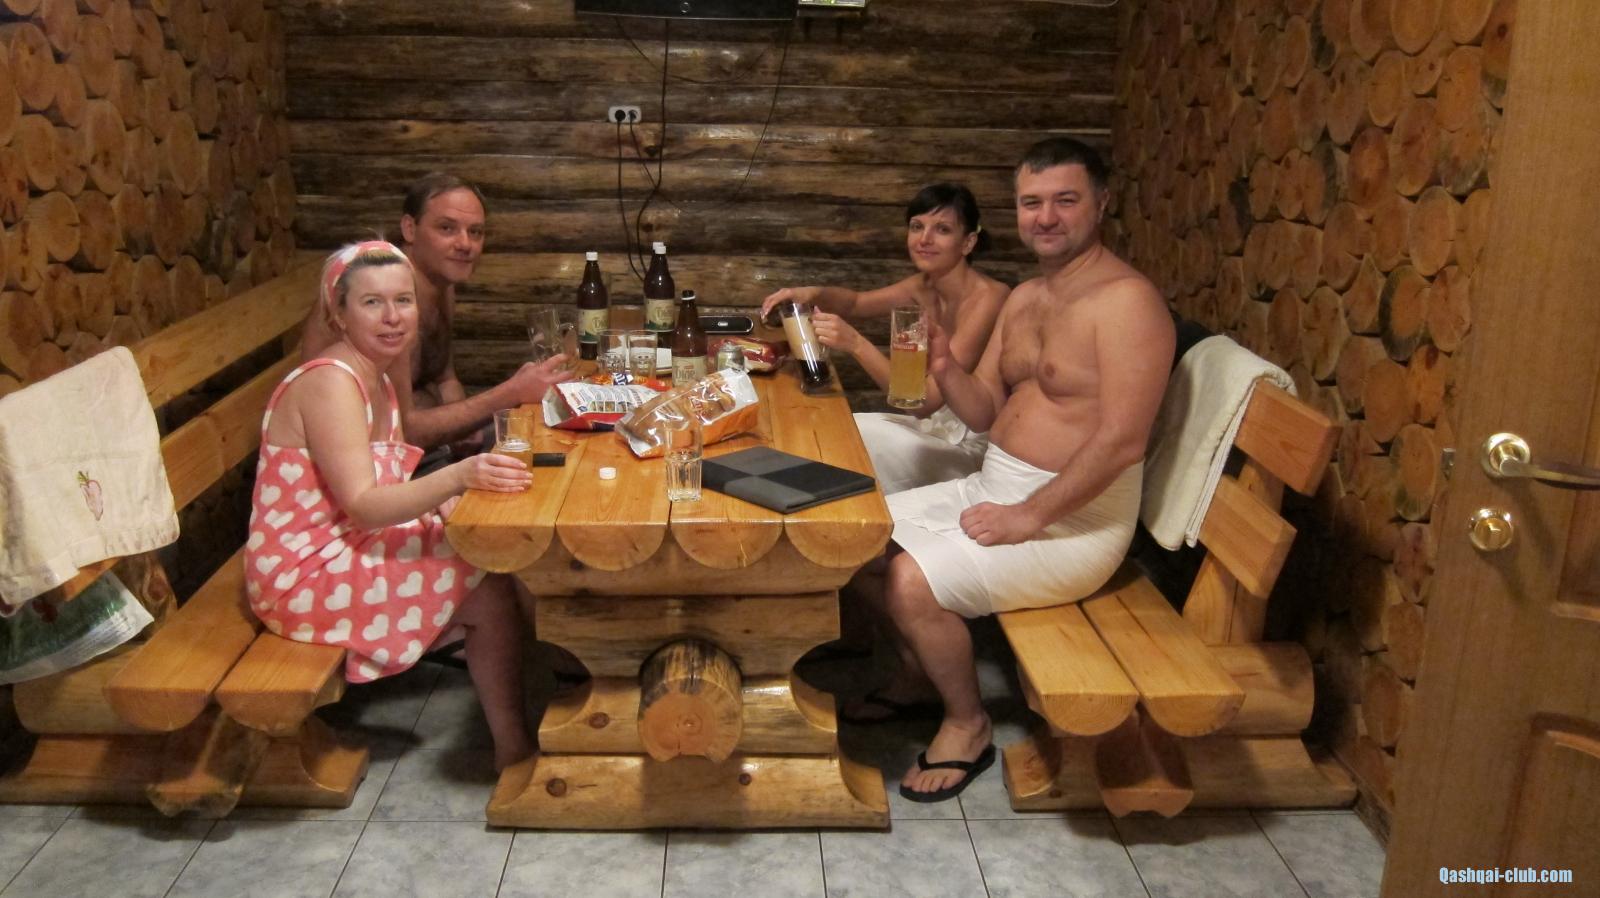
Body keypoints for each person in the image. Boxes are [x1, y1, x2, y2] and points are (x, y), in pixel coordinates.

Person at [868, 138, 1175, 802]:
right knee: (856, 536)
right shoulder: (1027, 297)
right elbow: (984, 410)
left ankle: (968, 722)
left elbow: (1123, 442)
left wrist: (1028, 516)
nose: (1046, 217)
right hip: (994, 485)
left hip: (1076, 522)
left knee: (910, 581)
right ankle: (920, 674)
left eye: (1066, 200)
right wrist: (945, 366)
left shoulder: (1127, 303)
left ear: (1102, 203)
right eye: (1032, 203)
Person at [247, 240, 538, 772]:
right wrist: (459, 476)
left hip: (348, 545)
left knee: (504, 554)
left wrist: (450, 500)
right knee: (487, 584)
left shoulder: (377, 377)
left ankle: (533, 719)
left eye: (403, 301)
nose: (392, 317)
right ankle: (515, 749)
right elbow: (363, 505)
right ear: (338, 314)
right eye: (372, 302)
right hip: (304, 575)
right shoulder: (330, 383)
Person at [760, 183, 1010, 494]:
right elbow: (856, 303)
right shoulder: (921, 286)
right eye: (917, 227)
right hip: (929, 430)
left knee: (849, 438)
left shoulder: (989, 298)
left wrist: (855, 343)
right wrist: (811, 293)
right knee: (831, 426)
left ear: (968, 242)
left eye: (942, 229)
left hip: (967, 446)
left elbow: (924, 402)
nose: (924, 239)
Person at [300, 173, 570, 455]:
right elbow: (403, 432)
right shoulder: (388, 301)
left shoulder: (441, 285)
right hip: (366, 460)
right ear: (409, 229)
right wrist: (512, 392)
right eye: (446, 228)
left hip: (424, 447)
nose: (465, 244)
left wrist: (468, 432)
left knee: (549, 440)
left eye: (475, 232)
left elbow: (444, 377)